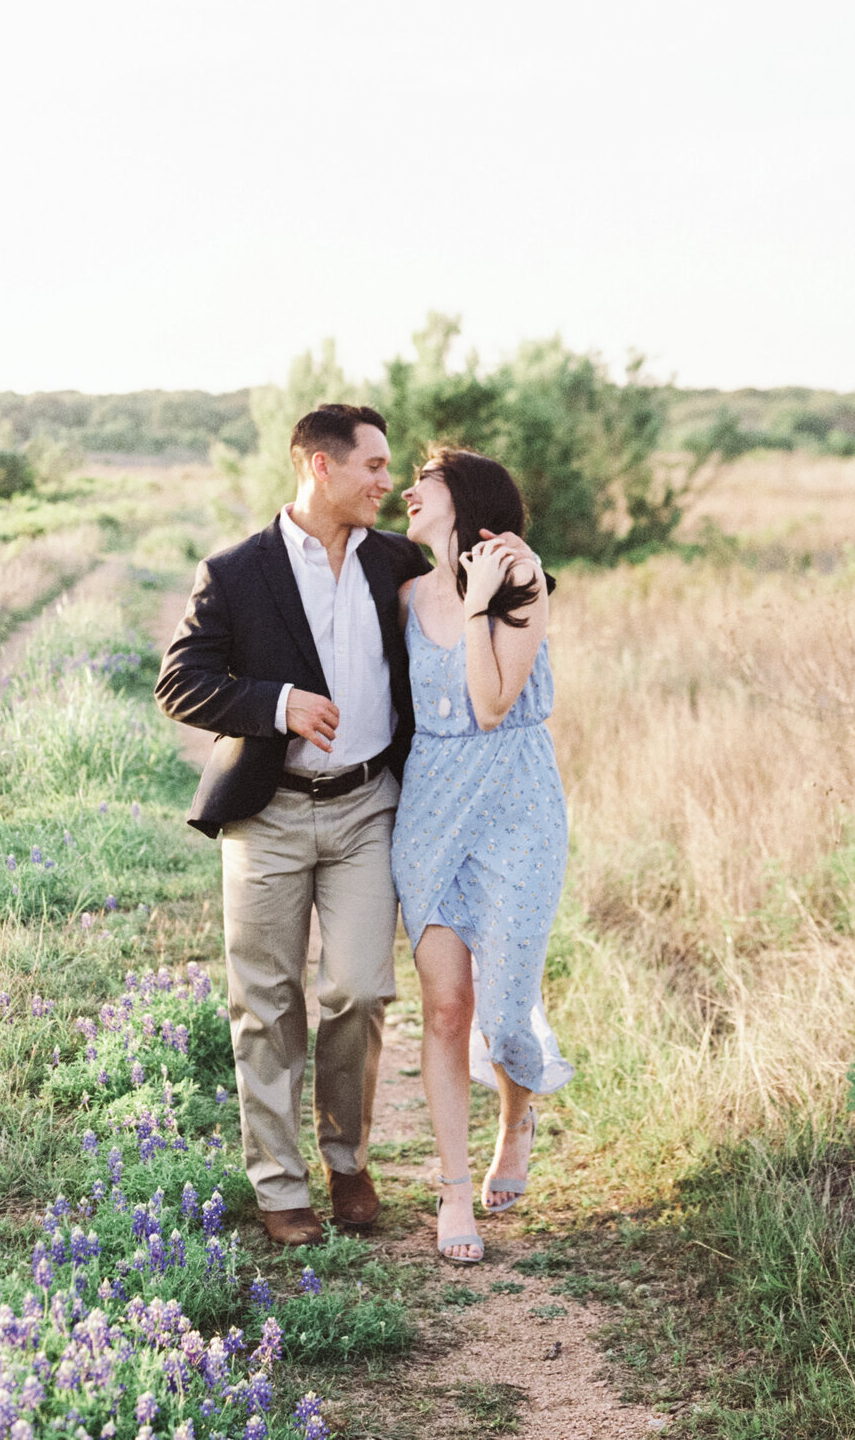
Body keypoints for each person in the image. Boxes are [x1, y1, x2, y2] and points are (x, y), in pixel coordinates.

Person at [154, 405, 534, 1247]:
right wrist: (278, 705)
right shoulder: (234, 572)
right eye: (372, 466)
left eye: (394, 468)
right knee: (266, 1002)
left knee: (360, 990)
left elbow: (487, 585)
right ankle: (280, 1183)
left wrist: (520, 555)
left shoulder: (394, 561)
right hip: (269, 811)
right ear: (319, 467)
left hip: (370, 808)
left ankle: (347, 1160)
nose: (386, 482)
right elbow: (180, 683)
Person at [392, 448, 573, 1264]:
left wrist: (473, 604)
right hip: (432, 807)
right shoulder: (400, 593)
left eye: (420, 484)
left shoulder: (520, 583)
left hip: (517, 808)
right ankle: (454, 1191)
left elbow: (494, 703)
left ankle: (517, 1117)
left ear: (459, 498)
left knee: (503, 1010)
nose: (405, 493)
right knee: (443, 1007)